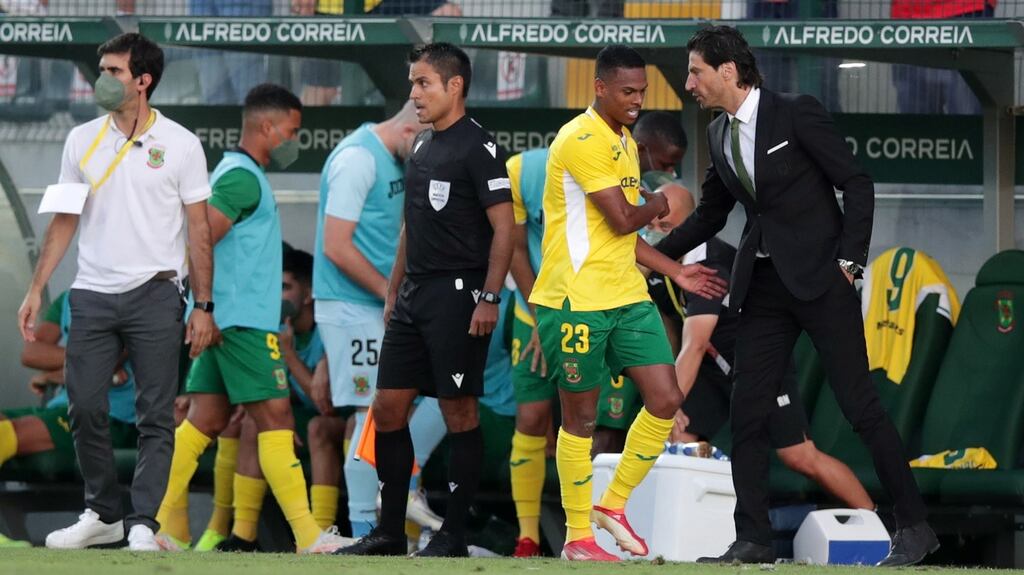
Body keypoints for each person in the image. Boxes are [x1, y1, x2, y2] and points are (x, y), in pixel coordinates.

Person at [657, 25, 936, 566]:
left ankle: (916, 525)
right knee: (749, 408)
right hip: (761, 288)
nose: (688, 82)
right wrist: (651, 252)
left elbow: (856, 184)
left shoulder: (796, 111)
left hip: (822, 283)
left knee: (861, 407)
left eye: (695, 71)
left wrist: (849, 265)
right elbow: (711, 214)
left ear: (728, 71)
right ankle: (754, 538)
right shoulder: (717, 133)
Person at [16, 32, 215, 552]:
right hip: (92, 294)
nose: (102, 79)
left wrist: (204, 306)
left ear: (143, 80)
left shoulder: (182, 143)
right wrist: (37, 289)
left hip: (157, 293)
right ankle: (102, 513)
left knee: (156, 413)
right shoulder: (80, 139)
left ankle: (143, 522)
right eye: (102, 69)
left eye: (113, 72)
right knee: (83, 405)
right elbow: (64, 222)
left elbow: (199, 232)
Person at [528, 44, 726, 562]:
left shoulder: (623, 142)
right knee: (582, 420)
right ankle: (576, 537)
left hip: (625, 295)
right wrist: (664, 201)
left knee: (664, 400)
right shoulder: (581, 138)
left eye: (642, 91)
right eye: (627, 92)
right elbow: (622, 218)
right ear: (600, 88)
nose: (637, 100)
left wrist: (674, 269)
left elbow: (622, 238)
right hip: (575, 300)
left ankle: (612, 505)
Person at [335, 42, 514, 558]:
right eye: (413, 83)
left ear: (454, 86)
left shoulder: (479, 148)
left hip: (460, 298)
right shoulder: (420, 147)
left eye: (423, 83)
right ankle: (390, 531)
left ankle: (453, 535)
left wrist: (489, 298)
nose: (413, 93)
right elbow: (411, 225)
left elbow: (505, 229)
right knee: (387, 408)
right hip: (414, 297)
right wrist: (393, 288)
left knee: (459, 414)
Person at [152, 84, 347, 555]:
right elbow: (200, 237)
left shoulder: (242, 175)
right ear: (267, 126)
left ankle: (151, 524)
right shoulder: (240, 179)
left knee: (202, 424)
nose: (294, 141)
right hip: (241, 324)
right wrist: (205, 307)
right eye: (292, 131)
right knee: (277, 420)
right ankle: (308, 537)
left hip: (230, 321)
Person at [641, 184, 875, 512]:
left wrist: (667, 402)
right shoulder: (660, 267)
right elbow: (673, 330)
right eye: (651, 226)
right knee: (679, 435)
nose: (656, 234)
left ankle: (877, 526)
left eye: (666, 227)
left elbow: (695, 343)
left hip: (759, 363)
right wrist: (668, 392)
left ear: (691, 225)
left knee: (798, 456)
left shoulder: (711, 264)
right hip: (713, 366)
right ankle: (690, 532)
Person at [312, 101, 430, 539]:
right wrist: (390, 292)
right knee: (373, 414)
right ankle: (364, 530)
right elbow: (336, 246)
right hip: (353, 305)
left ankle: (399, 504)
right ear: (406, 131)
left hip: (384, 305)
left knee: (412, 404)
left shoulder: (393, 156)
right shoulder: (357, 159)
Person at [212, 246, 338, 552]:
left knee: (318, 426)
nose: (277, 296)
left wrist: (289, 354)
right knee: (253, 423)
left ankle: (319, 532)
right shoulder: (277, 328)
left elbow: (326, 404)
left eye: (285, 287)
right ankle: (243, 535)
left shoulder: (328, 330)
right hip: (301, 416)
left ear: (307, 294)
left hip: (340, 421)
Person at [1, 290, 140, 548]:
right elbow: (30, 353)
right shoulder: (68, 297)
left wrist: (54, 372)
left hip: (111, 416)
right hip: (62, 405)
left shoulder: (133, 290)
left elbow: (110, 356)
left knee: (14, 432)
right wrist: (69, 370)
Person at [591, 110, 689, 456]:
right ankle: (588, 508)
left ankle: (616, 505)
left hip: (641, 321)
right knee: (604, 432)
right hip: (608, 315)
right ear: (643, 148)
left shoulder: (649, 188)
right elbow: (623, 242)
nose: (670, 172)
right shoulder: (613, 173)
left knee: (647, 426)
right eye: (665, 162)